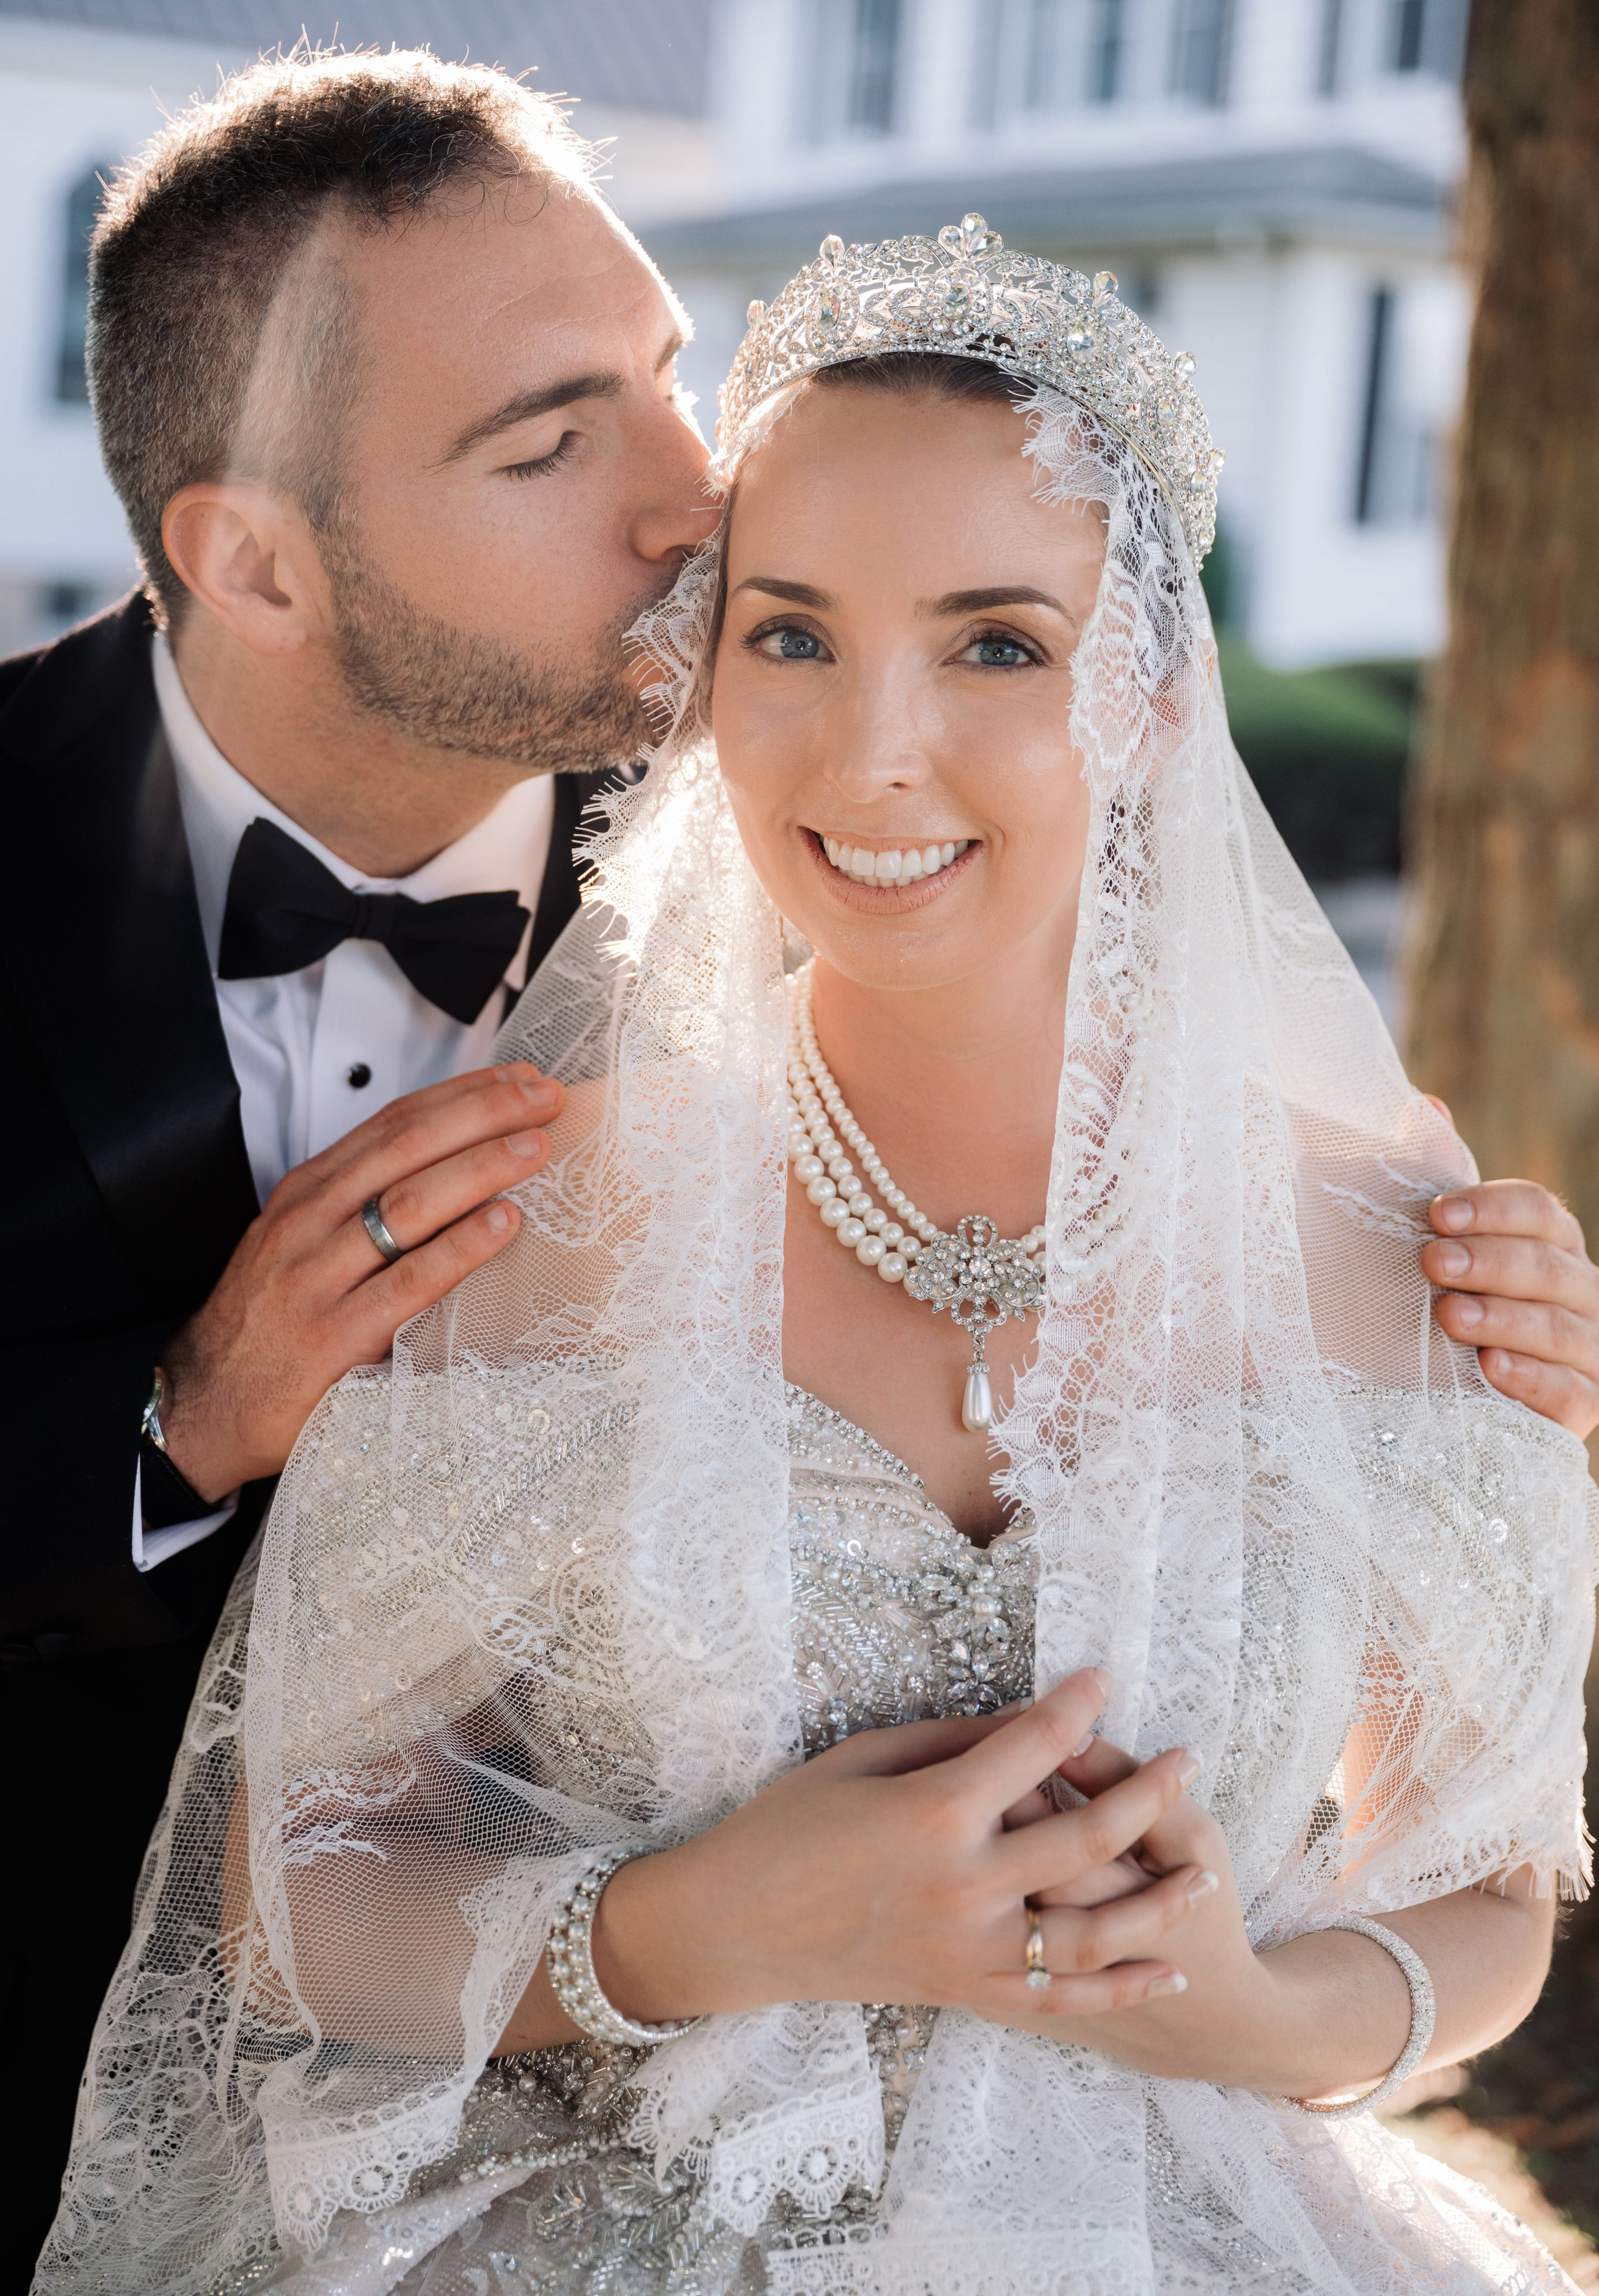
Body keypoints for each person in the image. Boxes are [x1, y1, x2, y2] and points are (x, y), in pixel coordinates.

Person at [41, 224, 1599, 2295]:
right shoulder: (527, 1222)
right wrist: (704, 1924)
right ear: (698, 678)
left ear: (1145, 693)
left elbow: (1492, 1883)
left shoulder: (1408, 1247)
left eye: (995, 644)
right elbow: (293, 1882)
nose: (873, 750)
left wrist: (1243, 2007)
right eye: (788, 636)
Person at [0, 48, 713, 2271]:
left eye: (667, 375)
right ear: (257, 563)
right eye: (552, 440)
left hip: (648, 2109)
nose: (695, 495)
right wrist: (175, 1423)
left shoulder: (821, 846)